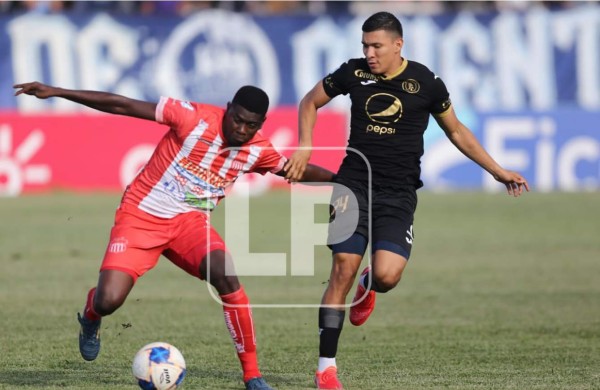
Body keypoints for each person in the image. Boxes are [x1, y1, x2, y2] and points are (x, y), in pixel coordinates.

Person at [14, 81, 335, 390]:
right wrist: (58, 92)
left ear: (260, 124)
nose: (240, 129)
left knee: (227, 278)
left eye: (250, 125)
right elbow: (122, 104)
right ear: (227, 109)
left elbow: (295, 170)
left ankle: (252, 376)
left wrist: (341, 179)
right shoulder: (192, 117)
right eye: (237, 119)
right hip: (140, 217)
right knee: (109, 300)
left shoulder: (257, 150)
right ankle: (91, 314)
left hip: (189, 225)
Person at [283, 11, 530, 390]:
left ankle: (369, 288)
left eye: (376, 46)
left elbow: (458, 131)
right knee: (341, 269)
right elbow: (309, 102)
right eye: (364, 45)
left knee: (387, 275)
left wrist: (497, 171)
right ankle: (325, 368)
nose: (369, 53)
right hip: (353, 185)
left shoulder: (427, 83)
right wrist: (304, 145)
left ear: (398, 45)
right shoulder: (352, 73)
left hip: (398, 193)